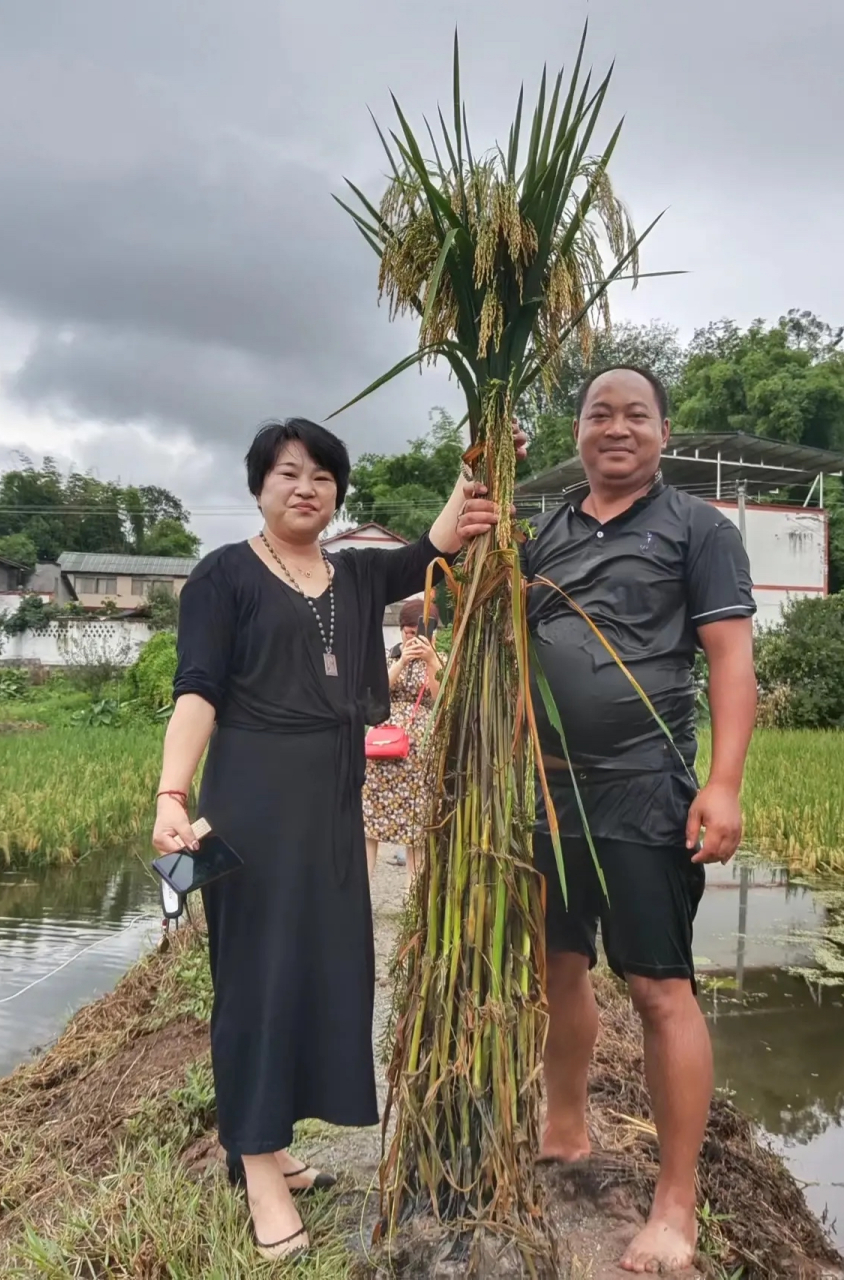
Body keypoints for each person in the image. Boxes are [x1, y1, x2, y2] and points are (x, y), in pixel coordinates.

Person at [151, 416, 524, 1262]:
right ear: (259, 485)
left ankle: (276, 1138)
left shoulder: (355, 576)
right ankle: (254, 1164)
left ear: (337, 493)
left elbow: (441, 537)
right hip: (251, 798)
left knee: (325, 967)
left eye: (322, 475)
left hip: (333, 801)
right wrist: (173, 789)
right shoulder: (223, 578)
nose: (306, 487)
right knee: (255, 975)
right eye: (288, 473)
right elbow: (198, 692)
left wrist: (483, 457)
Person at [521, 367, 757, 1274]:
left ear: (664, 432)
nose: (616, 428)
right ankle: (566, 1125)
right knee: (558, 964)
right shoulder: (547, 531)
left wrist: (724, 783)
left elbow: (731, 661)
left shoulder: (699, 528)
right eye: (598, 414)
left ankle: (675, 1205)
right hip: (547, 792)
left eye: (636, 415)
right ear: (577, 430)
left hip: (643, 788)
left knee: (659, 989)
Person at [363, 597, 443, 880]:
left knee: (416, 826)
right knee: (370, 821)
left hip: (419, 752)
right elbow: (376, 693)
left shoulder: (438, 660)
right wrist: (402, 661)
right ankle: (362, 893)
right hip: (382, 748)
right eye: (408, 632)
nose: (413, 638)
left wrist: (431, 659)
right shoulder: (390, 656)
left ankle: (414, 898)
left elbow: (441, 698)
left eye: (419, 632)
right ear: (401, 631)